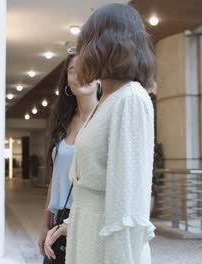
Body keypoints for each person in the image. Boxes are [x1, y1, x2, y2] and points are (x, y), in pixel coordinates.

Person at [44, 3, 156, 264]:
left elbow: (127, 207)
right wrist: (70, 225)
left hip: (106, 251)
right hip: (87, 240)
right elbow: (97, 189)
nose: (81, 53)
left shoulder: (130, 99)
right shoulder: (108, 100)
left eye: (85, 42)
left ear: (105, 44)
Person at [38, 53, 100, 263]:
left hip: (88, 222)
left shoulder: (104, 119)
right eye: (72, 70)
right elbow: (56, 175)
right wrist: (45, 223)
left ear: (99, 75)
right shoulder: (63, 119)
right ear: (66, 79)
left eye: (86, 67)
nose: (78, 75)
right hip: (58, 222)